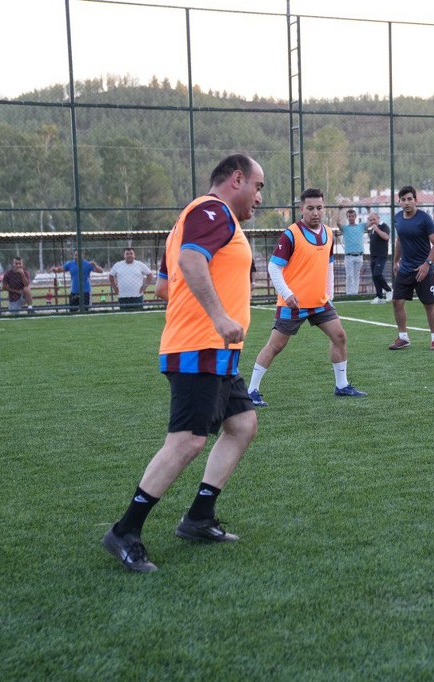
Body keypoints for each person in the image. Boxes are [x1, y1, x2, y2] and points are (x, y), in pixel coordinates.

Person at [101, 153, 265, 573]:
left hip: (215, 350)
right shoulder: (213, 211)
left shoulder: (187, 221)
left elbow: (163, 287)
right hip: (200, 348)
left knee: (242, 425)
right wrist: (217, 316)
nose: (259, 197)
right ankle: (125, 530)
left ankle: (198, 517)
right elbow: (191, 262)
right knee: (187, 441)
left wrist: (206, 309)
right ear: (236, 179)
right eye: (258, 186)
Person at [246, 188, 368, 407]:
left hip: (320, 303)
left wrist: (329, 295)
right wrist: (287, 294)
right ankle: (251, 391)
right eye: (310, 208)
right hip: (293, 304)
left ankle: (341, 385)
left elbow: (328, 266)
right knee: (275, 346)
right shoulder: (291, 234)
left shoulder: (328, 234)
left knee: (339, 336)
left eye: (319, 208)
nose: (315, 212)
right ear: (301, 209)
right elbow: (274, 267)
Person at [388, 186, 434, 351]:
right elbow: (399, 240)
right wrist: (395, 261)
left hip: (423, 269)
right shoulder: (397, 218)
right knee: (397, 302)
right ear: (399, 202)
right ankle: (403, 338)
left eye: (409, 199)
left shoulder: (424, 219)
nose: (406, 203)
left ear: (416, 200)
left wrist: (427, 265)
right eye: (403, 200)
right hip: (405, 269)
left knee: (429, 304)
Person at [339, 207, 365, 295]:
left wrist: (368, 210)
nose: (351, 218)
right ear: (347, 217)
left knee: (356, 275)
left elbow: (370, 222)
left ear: (355, 216)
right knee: (350, 275)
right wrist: (340, 210)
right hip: (349, 256)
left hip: (359, 255)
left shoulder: (361, 226)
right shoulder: (345, 228)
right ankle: (349, 293)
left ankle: (355, 293)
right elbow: (338, 223)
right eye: (349, 216)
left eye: (353, 216)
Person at [367, 213, 392, 303]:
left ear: (378, 218)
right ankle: (379, 297)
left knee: (377, 274)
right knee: (374, 276)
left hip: (381, 255)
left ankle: (389, 290)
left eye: (374, 219)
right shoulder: (372, 229)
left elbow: (386, 237)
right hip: (373, 256)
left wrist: (377, 229)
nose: (372, 221)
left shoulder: (384, 226)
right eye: (371, 220)